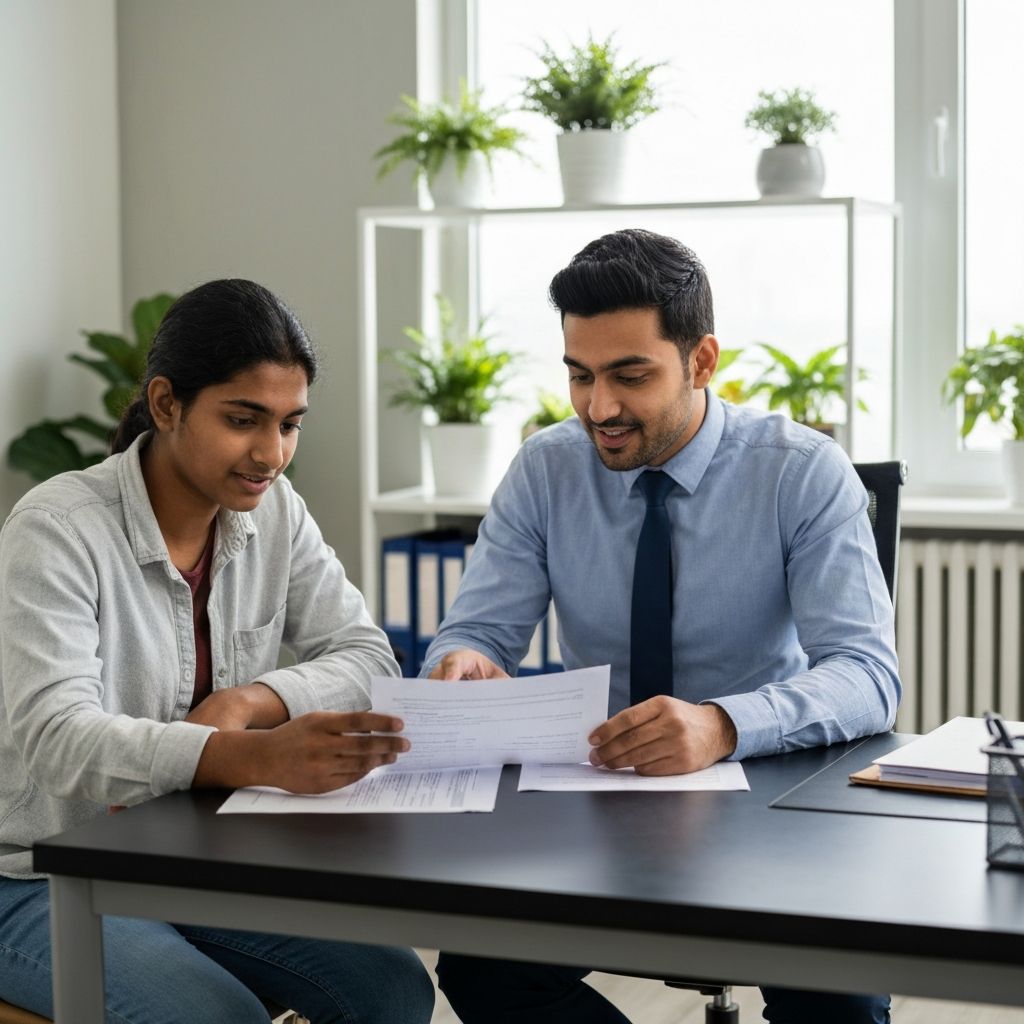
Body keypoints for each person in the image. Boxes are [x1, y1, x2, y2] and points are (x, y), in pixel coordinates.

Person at [425, 229, 900, 1024]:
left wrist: (720, 724)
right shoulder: (545, 470)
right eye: (580, 376)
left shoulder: (801, 471)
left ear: (702, 361)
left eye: (629, 376)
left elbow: (867, 674)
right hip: (599, 800)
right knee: (483, 972)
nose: (598, 408)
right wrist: (464, 662)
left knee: (839, 1003)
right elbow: (473, 633)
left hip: (769, 802)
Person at [0, 280, 434, 1024]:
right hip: (36, 875)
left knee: (391, 988)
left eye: (290, 424)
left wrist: (247, 704)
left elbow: (368, 656)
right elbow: (56, 738)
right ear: (167, 404)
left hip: (182, 856)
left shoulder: (275, 513)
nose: (272, 454)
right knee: (215, 1016)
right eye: (244, 420)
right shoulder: (57, 527)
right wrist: (252, 757)